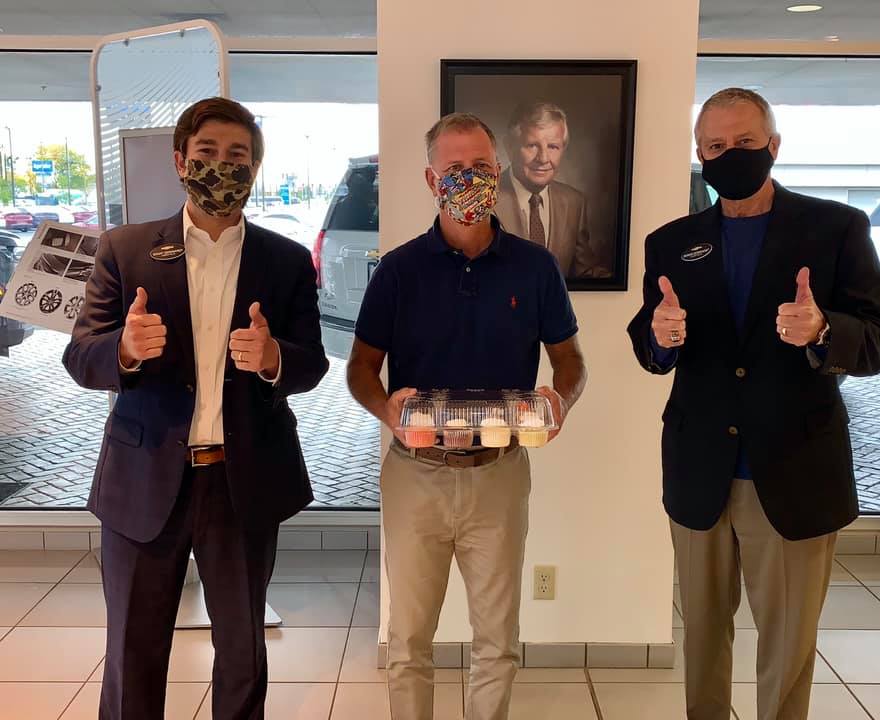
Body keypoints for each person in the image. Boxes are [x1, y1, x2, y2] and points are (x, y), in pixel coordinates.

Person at [627, 88, 880, 720]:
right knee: (702, 640)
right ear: (700, 154)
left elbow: (879, 341)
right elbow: (650, 340)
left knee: (787, 646)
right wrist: (660, 338)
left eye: (745, 142)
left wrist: (823, 330)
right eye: (715, 146)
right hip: (700, 470)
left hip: (795, 470)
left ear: (773, 145)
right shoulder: (671, 241)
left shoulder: (836, 229)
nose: (731, 155)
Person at [63, 97, 329, 720]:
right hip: (143, 480)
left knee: (242, 651)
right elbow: (81, 356)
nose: (222, 166)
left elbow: (312, 363)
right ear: (181, 161)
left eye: (238, 156)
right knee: (133, 650)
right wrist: (124, 350)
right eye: (207, 153)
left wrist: (274, 358)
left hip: (243, 481)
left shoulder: (286, 261)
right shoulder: (125, 250)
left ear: (254, 169)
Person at [347, 112, 587, 720]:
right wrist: (386, 408)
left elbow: (570, 361)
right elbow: (360, 369)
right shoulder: (398, 270)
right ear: (432, 180)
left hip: (499, 472)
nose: (469, 178)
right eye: (454, 168)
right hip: (415, 472)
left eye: (480, 166)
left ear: (498, 171)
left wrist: (560, 400)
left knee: (497, 644)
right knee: (407, 643)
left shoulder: (535, 267)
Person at [496, 101, 608, 279]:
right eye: (532, 145)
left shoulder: (574, 202)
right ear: (509, 147)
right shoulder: (486, 198)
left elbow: (583, 272)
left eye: (553, 147)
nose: (543, 158)